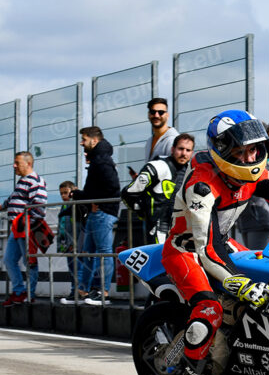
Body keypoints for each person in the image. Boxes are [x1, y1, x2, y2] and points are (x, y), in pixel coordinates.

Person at [163, 109, 269, 375]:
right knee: (210, 309)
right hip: (186, 251)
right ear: (223, 151)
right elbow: (206, 250)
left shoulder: (260, 171)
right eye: (242, 151)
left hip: (223, 243)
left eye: (255, 148)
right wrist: (242, 284)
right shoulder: (201, 186)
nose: (251, 155)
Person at [74, 126, 121, 306]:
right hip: (97, 212)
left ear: (94, 140)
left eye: (84, 139)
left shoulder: (102, 160)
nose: (81, 143)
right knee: (88, 253)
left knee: (103, 253)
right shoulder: (98, 159)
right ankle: (84, 291)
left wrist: (95, 201)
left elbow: (113, 186)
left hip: (102, 213)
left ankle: (103, 292)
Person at [0, 151, 47, 306]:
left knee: (29, 261)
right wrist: (3, 206)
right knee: (9, 260)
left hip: (26, 227)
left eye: (17, 163)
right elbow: (14, 198)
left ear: (28, 163)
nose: (14, 166)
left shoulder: (36, 181)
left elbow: (39, 207)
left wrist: (26, 223)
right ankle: (19, 291)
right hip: (16, 227)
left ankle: (29, 294)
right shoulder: (22, 182)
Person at [122, 133, 194, 244]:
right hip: (158, 228)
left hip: (182, 230)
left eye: (188, 150)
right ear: (172, 149)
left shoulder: (192, 172)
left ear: (192, 153)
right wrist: (140, 211)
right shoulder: (158, 166)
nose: (184, 153)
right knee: (159, 260)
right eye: (180, 149)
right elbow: (128, 193)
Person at [57, 180, 88, 304]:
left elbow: (78, 227)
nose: (64, 196)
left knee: (78, 267)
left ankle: (77, 291)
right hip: (67, 244)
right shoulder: (64, 206)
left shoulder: (76, 205)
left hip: (75, 243)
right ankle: (74, 290)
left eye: (66, 192)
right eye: (61, 193)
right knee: (72, 268)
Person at [143, 98, 180, 164]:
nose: (156, 115)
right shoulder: (149, 141)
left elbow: (174, 171)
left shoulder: (173, 140)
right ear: (148, 114)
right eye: (153, 112)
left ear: (167, 115)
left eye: (161, 112)